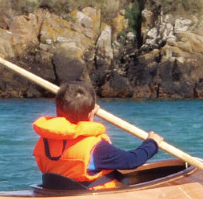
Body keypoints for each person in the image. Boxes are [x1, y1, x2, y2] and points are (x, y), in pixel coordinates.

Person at [33, 81, 162, 190]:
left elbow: (72, 134)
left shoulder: (46, 140)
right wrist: (151, 143)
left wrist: (87, 118)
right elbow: (132, 161)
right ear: (90, 114)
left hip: (57, 190)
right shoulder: (97, 148)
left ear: (57, 110)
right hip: (90, 196)